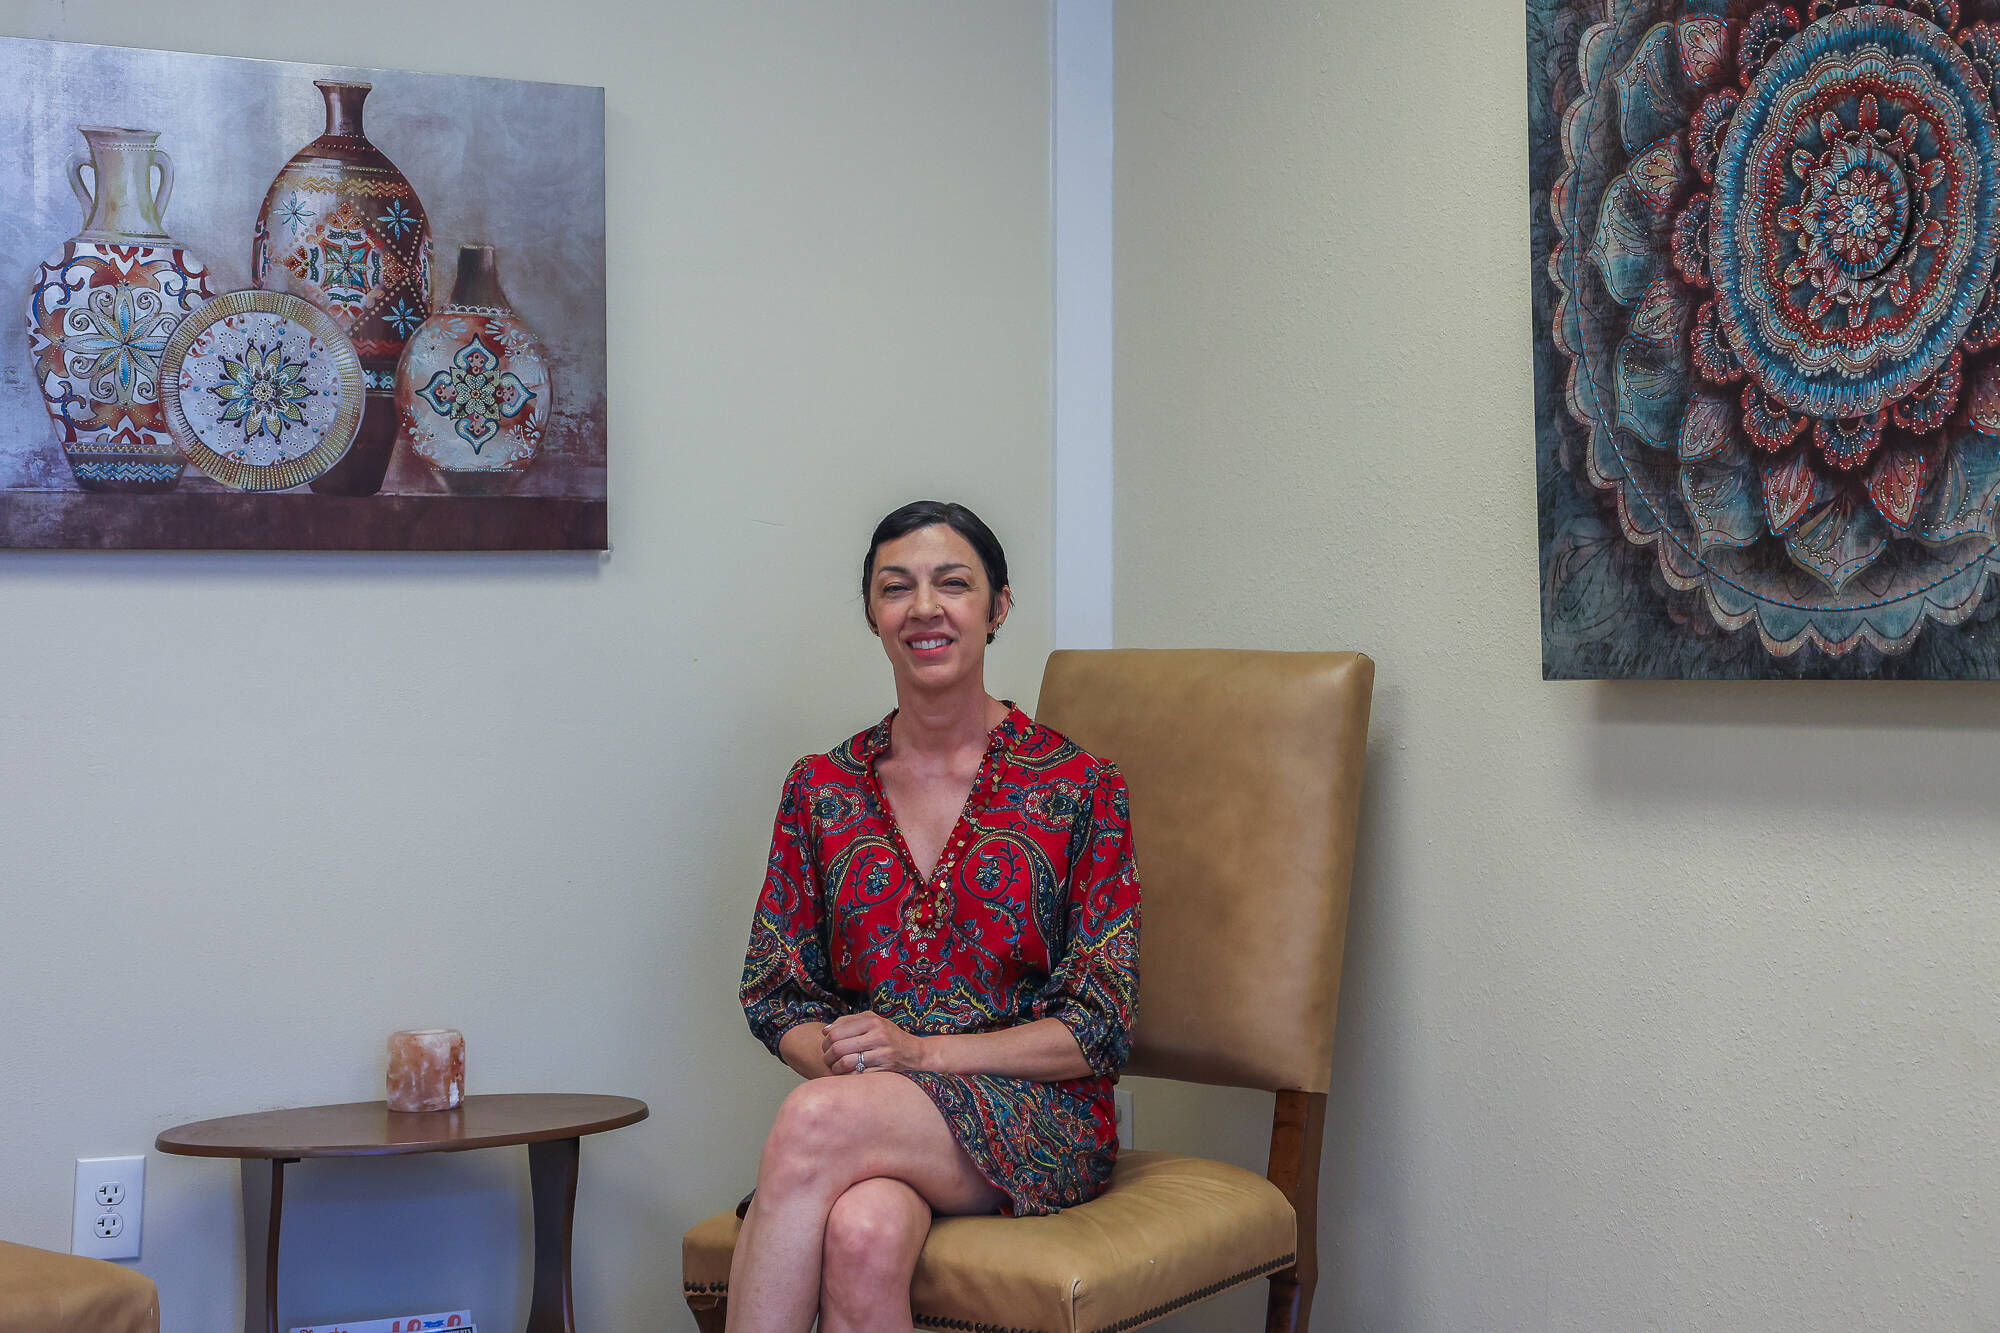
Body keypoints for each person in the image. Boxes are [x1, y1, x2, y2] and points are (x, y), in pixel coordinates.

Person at [729, 500, 1141, 1333]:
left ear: (998, 606)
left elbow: (1099, 1025)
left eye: (953, 583)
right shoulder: (821, 789)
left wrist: (915, 1055)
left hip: (1040, 1115)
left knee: (811, 1124)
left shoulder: (1079, 787)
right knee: (863, 1232)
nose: (925, 607)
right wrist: (865, 1072)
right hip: (878, 1111)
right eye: (896, 587)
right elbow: (778, 997)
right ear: (875, 614)